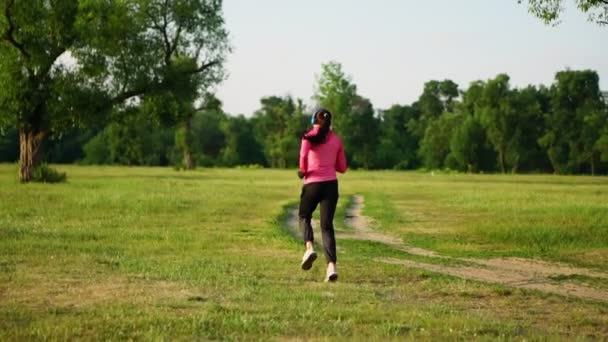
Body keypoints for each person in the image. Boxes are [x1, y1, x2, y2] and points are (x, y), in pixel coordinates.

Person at [297, 108, 347, 282]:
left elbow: (303, 156)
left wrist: (303, 170)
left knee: (304, 216)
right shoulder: (336, 140)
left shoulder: (308, 137)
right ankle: (331, 267)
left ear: (313, 121)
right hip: (331, 186)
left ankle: (309, 247)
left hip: (312, 184)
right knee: (327, 226)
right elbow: (342, 168)